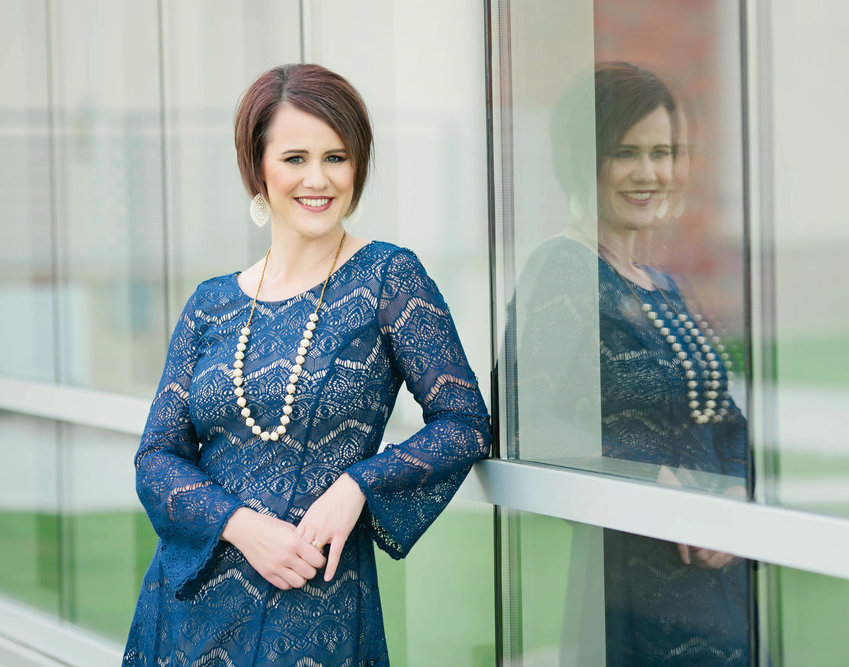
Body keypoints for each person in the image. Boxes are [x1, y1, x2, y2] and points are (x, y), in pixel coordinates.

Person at [123, 63, 491, 665]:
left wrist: (358, 484)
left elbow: (466, 423)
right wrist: (241, 525)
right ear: (258, 168)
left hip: (312, 610)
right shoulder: (210, 304)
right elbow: (156, 458)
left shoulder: (388, 278)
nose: (317, 179)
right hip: (184, 615)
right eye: (295, 158)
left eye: (336, 157)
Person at [514, 62, 751, 665]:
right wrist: (647, 479)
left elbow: (722, 420)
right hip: (634, 582)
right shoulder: (563, 269)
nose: (649, 173)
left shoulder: (663, 286)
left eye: (662, 153)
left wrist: (733, 494)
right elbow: (529, 425)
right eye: (626, 153)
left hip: (718, 579)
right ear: (583, 160)